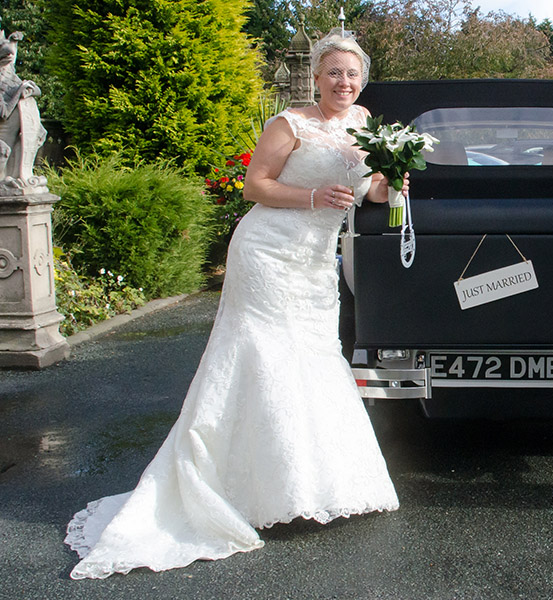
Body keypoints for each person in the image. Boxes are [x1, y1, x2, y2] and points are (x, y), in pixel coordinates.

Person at [64, 31, 401, 579]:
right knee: (262, 357)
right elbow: (254, 185)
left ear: (363, 79)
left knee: (313, 359)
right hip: (267, 251)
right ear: (316, 76)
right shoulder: (289, 124)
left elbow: (369, 194)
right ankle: (240, 489)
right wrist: (313, 197)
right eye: (334, 72)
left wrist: (393, 182)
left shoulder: (366, 124)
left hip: (316, 263)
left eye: (353, 73)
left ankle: (311, 483)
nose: (344, 82)